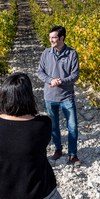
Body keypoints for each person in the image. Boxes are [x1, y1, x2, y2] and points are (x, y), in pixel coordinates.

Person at [37, 25, 81, 165]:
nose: (51, 40)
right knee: (54, 126)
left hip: (67, 96)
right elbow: (40, 72)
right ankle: (58, 149)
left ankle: (73, 154)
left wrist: (61, 81)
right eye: (50, 38)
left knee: (72, 126)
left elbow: (75, 75)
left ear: (62, 38)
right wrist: (51, 80)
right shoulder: (46, 53)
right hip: (50, 96)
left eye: (53, 37)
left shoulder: (72, 54)